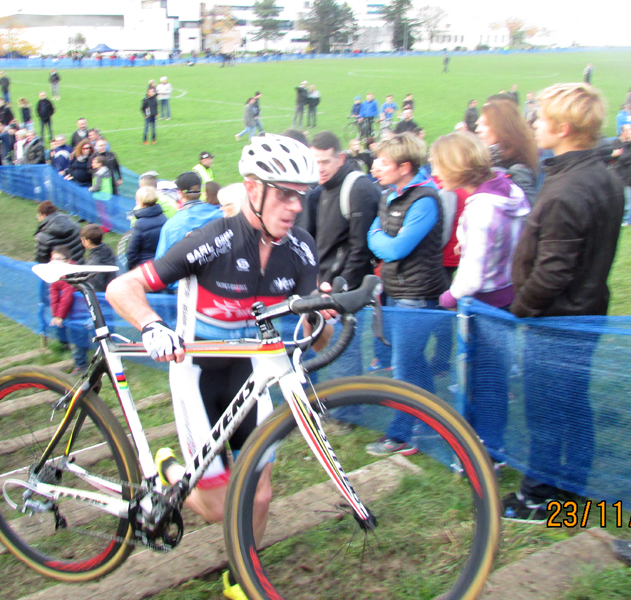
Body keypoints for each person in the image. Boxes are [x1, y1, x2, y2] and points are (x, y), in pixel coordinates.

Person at [104, 134, 329, 600]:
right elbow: (123, 287)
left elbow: (315, 336)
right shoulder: (213, 241)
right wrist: (149, 325)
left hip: (251, 373)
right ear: (253, 188)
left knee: (260, 495)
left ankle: (239, 576)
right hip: (196, 374)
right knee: (217, 508)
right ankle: (170, 473)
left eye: (300, 196)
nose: (293, 207)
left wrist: (322, 316)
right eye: (283, 193)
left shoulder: (301, 248)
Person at [503, 83, 624, 520]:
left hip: (557, 322)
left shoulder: (568, 188)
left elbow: (554, 271)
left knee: (547, 410)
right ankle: (576, 481)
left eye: (540, 118)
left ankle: (539, 497)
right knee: (573, 402)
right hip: (585, 315)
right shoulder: (601, 176)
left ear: (565, 127)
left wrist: (520, 309)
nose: (533, 124)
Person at [432, 132, 530, 457]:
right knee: (494, 376)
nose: (435, 173)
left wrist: (448, 297)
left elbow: (472, 276)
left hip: (485, 304)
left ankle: (487, 448)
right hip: (508, 294)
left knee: (485, 379)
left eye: (439, 166)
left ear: (458, 167)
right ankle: (485, 439)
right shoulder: (510, 191)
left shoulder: (481, 209)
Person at [365, 133, 448, 456]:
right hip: (396, 291)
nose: (376, 167)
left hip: (417, 295)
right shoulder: (389, 196)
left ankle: (401, 433)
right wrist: (380, 240)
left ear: (405, 166)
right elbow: (374, 234)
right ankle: (431, 425)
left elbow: (396, 246)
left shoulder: (425, 199)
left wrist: (381, 241)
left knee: (403, 367)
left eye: (383, 162)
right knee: (413, 363)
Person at [310, 131, 380, 288]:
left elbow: (361, 249)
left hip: (346, 292)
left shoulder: (357, 188)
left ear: (340, 158)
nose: (319, 169)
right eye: (315, 163)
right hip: (326, 285)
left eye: (325, 162)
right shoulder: (326, 188)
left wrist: (340, 288)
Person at [476, 99, 539, 205]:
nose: (478, 129)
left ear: (503, 127)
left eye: (484, 124)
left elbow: (528, 213)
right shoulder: (492, 160)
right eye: (478, 124)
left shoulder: (516, 170)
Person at [155, 171, 222, 259]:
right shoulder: (222, 215)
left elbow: (161, 262)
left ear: (180, 193)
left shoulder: (171, 226)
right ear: (200, 191)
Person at [48, 246, 90, 374]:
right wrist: (55, 314)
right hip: (69, 313)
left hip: (80, 312)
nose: (55, 263)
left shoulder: (71, 274)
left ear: (68, 260)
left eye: (59, 260)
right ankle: (70, 350)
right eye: (53, 259)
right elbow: (54, 294)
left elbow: (67, 295)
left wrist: (60, 316)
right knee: (73, 336)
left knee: (77, 337)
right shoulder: (55, 274)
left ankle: (81, 364)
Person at [126, 186, 167, 271]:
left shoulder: (139, 225)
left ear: (140, 202)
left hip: (145, 267)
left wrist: (131, 269)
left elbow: (131, 252)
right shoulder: (164, 218)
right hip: (162, 263)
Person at [80, 224, 116, 292]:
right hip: (111, 289)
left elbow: (95, 288)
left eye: (82, 239)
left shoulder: (93, 264)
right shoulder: (107, 250)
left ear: (87, 241)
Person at [609, 124, 631, 226]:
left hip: (627, 175)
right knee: (624, 198)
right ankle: (623, 218)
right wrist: (614, 155)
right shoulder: (615, 143)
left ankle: (627, 219)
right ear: (624, 132)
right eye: (629, 130)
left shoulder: (628, 144)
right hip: (619, 175)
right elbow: (610, 157)